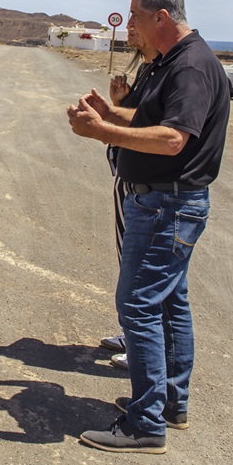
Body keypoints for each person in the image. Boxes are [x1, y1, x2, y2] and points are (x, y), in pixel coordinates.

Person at [67, 0, 230, 453]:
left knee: (137, 306)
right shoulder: (174, 62)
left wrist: (103, 133)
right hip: (166, 203)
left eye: (135, 15)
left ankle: (146, 424)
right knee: (168, 302)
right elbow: (149, 122)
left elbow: (173, 139)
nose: (130, 23)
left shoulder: (192, 67)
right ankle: (170, 405)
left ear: (162, 16)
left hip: (166, 205)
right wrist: (111, 114)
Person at [99, 39, 158, 371]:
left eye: (136, 16)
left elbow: (161, 131)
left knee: (142, 271)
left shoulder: (171, 68)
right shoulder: (150, 68)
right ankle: (132, 334)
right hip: (129, 179)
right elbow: (140, 118)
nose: (129, 26)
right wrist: (119, 103)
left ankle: (143, 348)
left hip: (149, 189)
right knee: (130, 262)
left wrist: (105, 122)